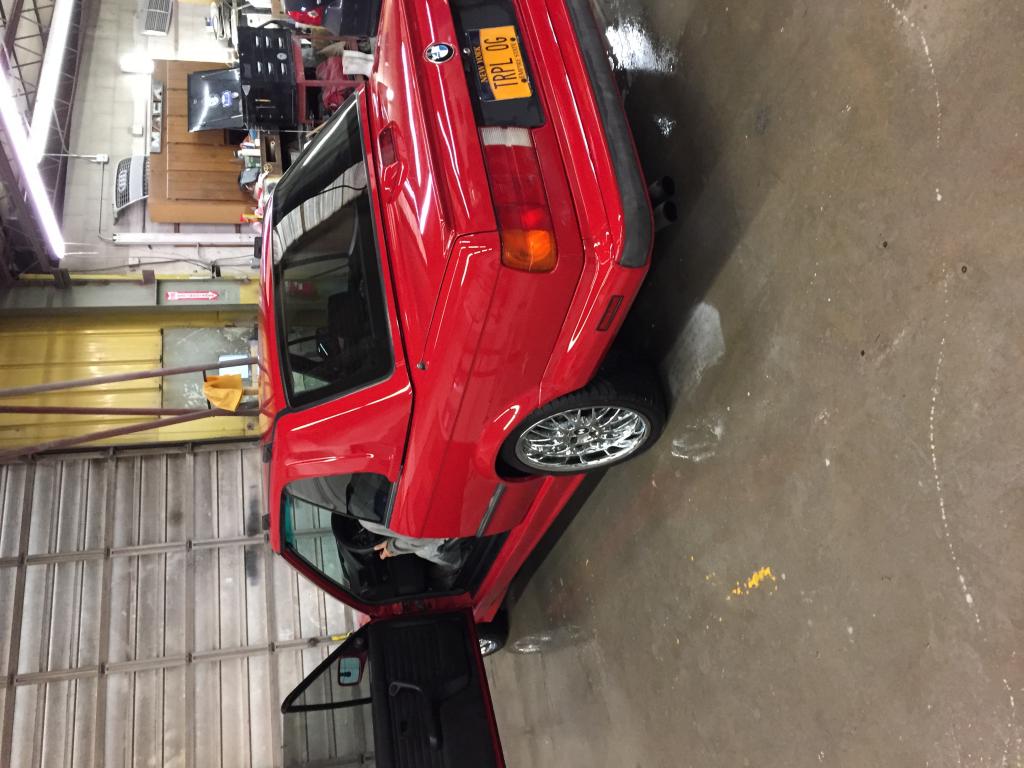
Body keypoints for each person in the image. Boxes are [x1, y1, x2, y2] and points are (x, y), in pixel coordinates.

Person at [287, 473, 464, 570]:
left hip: (448, 520)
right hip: (442, 486)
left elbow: (421, 537)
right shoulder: (368, 470)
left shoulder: (366, 514)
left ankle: (463, 563)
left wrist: (392, 548)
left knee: (426, 550)